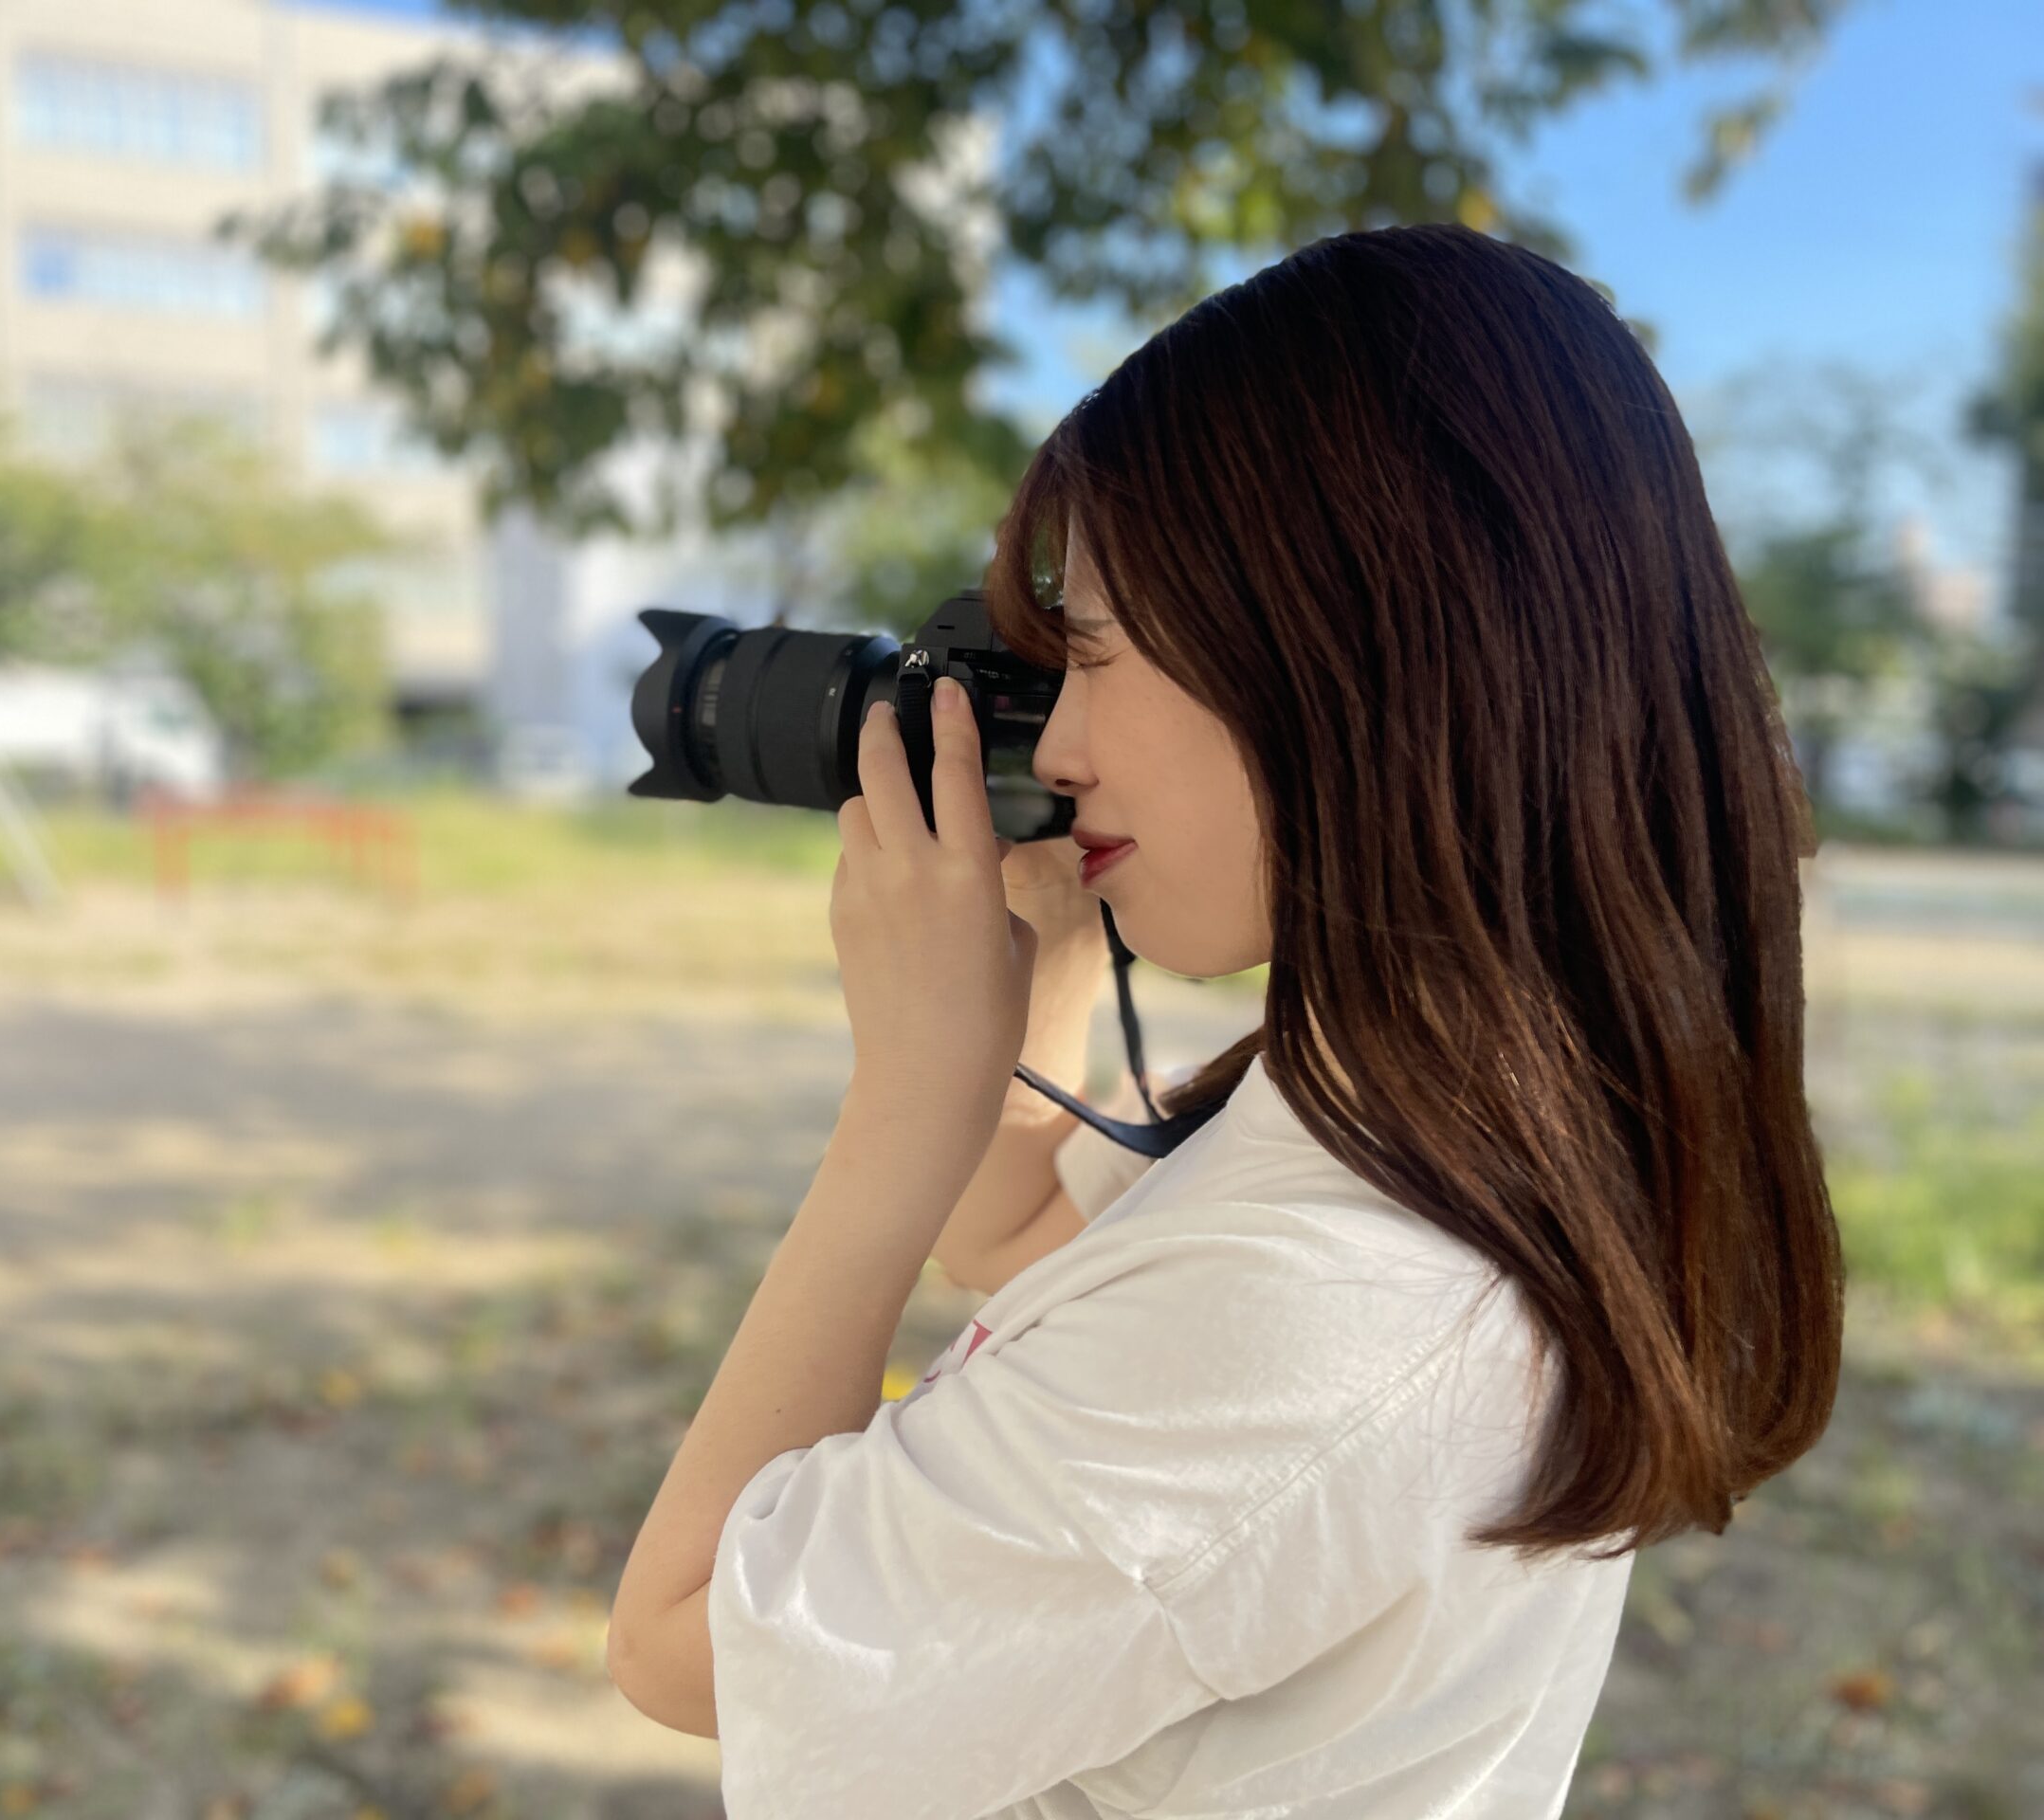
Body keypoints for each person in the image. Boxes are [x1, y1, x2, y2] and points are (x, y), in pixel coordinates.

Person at [607, 222, 1844, 1820]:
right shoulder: (1436, 1122)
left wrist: (902, 1105)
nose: (1059, 747)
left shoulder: (1320, 1305)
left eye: (1096, 654)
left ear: (1355, 654)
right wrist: (1045, 951)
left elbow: (685, 1641)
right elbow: (1024, 1234)